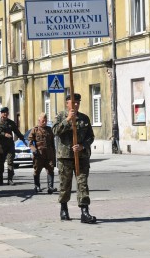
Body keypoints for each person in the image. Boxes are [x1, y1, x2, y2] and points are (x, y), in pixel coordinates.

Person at [53, 93, 96, 224]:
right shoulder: (61, 116)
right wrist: (67, 120)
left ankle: (84, 211)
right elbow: (55, 131)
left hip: (81, 156)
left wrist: (82, 146)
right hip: (65, 157)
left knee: (82, 183)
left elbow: (91, 137)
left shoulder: (84, 118)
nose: (76, 104)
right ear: (67, 103)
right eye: (73, 102)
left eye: (78, 102)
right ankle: (64, 209)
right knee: (65, 185)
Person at [0, 107, 25, 185]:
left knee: (10, 162)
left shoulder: (11, 123)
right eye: (3, 112)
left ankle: (10, 179)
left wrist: (23, 138)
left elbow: (17, 131)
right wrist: (3, 134)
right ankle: (0, 178)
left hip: (10, 146)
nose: (5, 114)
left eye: (6, 112)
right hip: (1, 146)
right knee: (0, 162)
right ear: (1, 114)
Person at [29, 112, 57, 194]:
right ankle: (37, 186)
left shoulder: (49, 130)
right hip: (39, 154)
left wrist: (54, 155)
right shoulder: (35, 129)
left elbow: (52, 143)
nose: (44, 122)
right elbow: (30, 143)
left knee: (50, 169)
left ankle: (50, 187)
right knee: (37, 170)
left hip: (49, 154)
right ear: (39, 121)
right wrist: (34, 150)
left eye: (45, 120)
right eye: (43, 121)